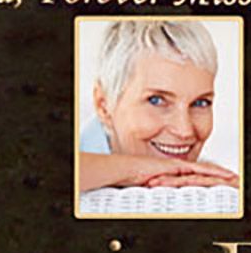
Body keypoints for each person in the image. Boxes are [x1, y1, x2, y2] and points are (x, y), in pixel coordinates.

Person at [79, 20, 239, 192]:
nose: (184, 131)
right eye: (156, 100)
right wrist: (135, 170)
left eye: (200, 103)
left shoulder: (207, 182)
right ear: (103, 105)